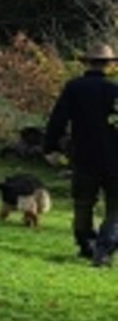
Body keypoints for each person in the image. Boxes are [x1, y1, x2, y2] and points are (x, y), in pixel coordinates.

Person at [45, 42, 118, 266]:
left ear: (87, 63)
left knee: (83, 202)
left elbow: (58, 119)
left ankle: (86, 243)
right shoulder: (115, 91)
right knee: (115, 208)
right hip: (115, 157)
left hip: (84, 155)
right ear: (109, 65)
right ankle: (104, 249)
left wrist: (50, 147)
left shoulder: (74, 88)